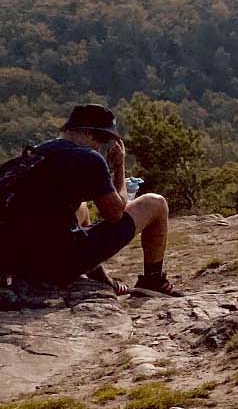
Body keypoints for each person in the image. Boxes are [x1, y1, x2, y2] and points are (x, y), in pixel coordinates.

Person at [3, 104, 181, 295]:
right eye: (102, 138)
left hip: (18, 262)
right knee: (155, 203)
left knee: (82, 207)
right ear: (86, 133)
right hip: (54, 265)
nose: (100, 146)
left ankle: (100, 278)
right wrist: (119, 168)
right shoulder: (89, 158)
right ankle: (153, 280)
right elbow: (115, 214)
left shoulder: (35, 153)